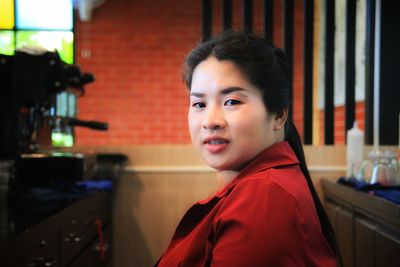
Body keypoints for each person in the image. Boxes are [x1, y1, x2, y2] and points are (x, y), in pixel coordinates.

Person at [155, 30, 341, 267]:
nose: (210, 120)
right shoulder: (260, 186)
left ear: (279, 115)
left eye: (232, 101)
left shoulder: (264, 198)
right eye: (199, 103)